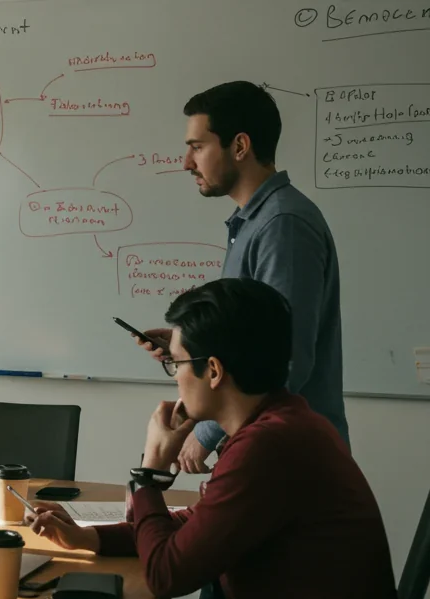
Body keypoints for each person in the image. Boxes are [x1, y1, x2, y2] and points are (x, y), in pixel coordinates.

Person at [31, 278, 397, 599]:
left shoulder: (269, 446)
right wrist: (90, 536)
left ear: (215, 370)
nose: (173, 375)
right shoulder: (284, 422)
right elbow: (203, 523)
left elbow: (168, 573)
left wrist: (148, 473)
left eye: (176, 362)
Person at [136, 80, 347, 474]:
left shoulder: (282, 225)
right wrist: (190, 348)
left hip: (291, 458)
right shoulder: (254, 222)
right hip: (269, 450)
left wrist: (205, 434)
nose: (186, 161)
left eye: (197, 146)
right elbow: (250, 341)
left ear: (239, 146)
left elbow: (285, 360)